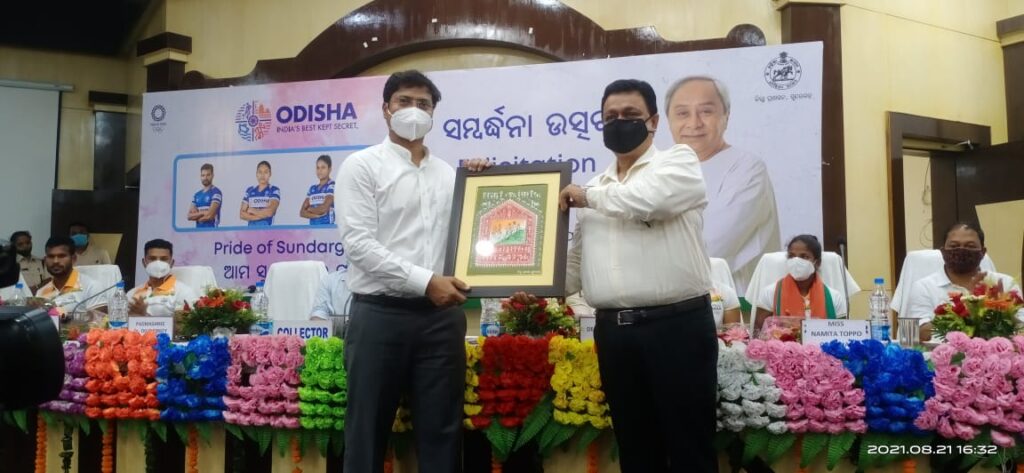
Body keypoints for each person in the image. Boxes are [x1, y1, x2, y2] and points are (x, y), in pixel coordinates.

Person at [557, 79, 717, 472]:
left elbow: (651, 201)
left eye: (630, 114)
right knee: (636, 449)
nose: (619, 122)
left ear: (653, 121)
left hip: (677, 329)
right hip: (614, 334)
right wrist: (534, 279)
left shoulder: (678, 162)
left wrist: (588, 197)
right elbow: (576, 262)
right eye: (610, 116)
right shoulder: (597, 186)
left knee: (690, 449)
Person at [337, 70, 488, 473]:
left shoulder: (451, 176)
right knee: (366, 433)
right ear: (386, 109)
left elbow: (475, 235)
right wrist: (425, 282)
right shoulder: (361, 166)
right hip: (379, 316)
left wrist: (484, 184)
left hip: (441, 320)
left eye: (423, 104)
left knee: (442, 435)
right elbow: (359, 245)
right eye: (404, 101)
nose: (414, 110)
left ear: (434, 113)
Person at [664, 76, 781, 296]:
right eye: (682, 113)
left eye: (706, 111)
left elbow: (708, 246)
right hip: (666, 300)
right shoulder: (660, 170)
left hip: (730, 303)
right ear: (668, 120)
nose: (694, 123)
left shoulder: (747, 169)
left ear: (726, 116)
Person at [906, 222, 1021, 341]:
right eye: (954, 246)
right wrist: (968, 305)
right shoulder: (922, 287)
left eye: (970, 246)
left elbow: (1021, 329)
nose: (961, 250)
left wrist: (1000, 310)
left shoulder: (1005, 283)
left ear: (983, 252)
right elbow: (921, 333)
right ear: (943, 251)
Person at [753, 234, 849, 329]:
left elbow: (842, 332)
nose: (796, 261)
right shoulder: (770, 293)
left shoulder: (834, 297)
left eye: (804, 257)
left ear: (817, 262)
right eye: (791, 256)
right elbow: (759, 332)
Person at [35, 236, 106, 316]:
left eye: (61, 256)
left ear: (73, 258)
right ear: (45, 260)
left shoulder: (92, 287)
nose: (55, 261)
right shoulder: (41, 293)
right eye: (51, 256)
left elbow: (99, 322)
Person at [126, 239, 198, 317]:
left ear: (171, 263)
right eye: (152, 258)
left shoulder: (184, 292)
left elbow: (192, 322)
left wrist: (144, 316)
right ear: (144, 263)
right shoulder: (132, 293)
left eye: (164, 259)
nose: (158, 263)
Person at [240, 160, 281, 226]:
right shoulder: (249, 190)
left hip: (267, 229)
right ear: (256, 174)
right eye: (260, 172)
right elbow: (242, 214)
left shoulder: (274, 190)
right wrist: (262, 215)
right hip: (250, 230)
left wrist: (253, 211)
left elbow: (270, 212)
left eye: (266, 172)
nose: (262, 175)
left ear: (270, 174)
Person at [299, 155, 336, 225]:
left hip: (327, 228)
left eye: (323, 167)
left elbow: (323, 209)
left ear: (329, 169)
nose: (320, 171)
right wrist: (315, 215)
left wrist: (309, 209)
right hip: (313, 229)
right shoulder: (312, 188)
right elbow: (302, 212)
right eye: (318, 168)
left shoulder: (332, 185)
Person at [187, 163, 223, 228]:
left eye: (208, 175)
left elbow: (210, 216)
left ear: (212, 175)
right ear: (200, 176)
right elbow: (189, 216)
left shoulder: (216, 192)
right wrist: (204, 212)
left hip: (212, 231)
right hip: (198, 232)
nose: (205, 178)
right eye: (203, 175)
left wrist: (197, 216)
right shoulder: (196, 195)